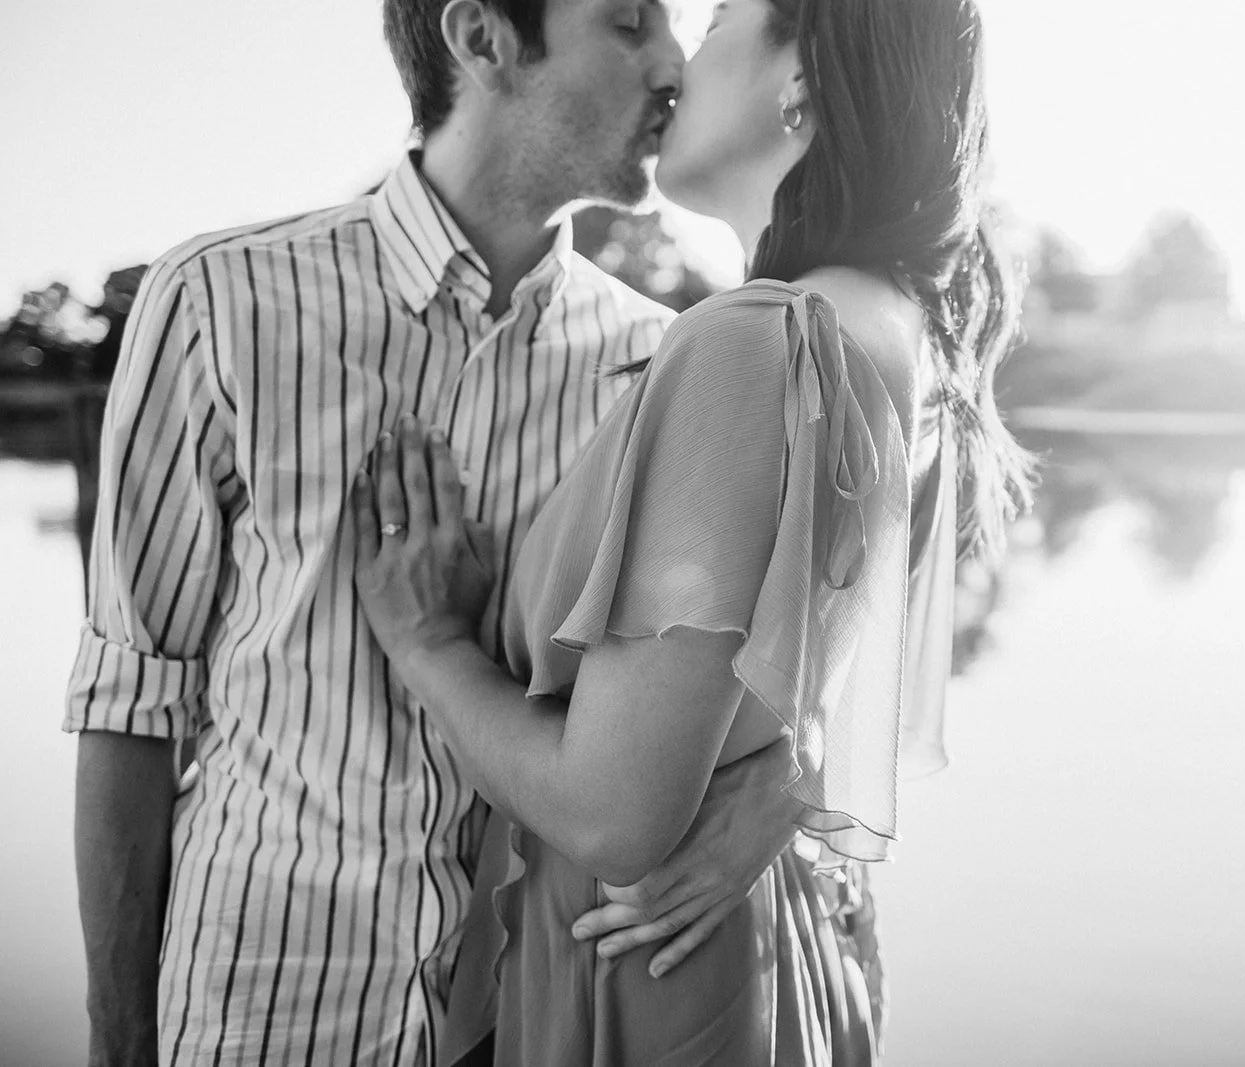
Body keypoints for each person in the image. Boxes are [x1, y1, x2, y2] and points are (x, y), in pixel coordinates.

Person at [65, 1, 809, 1062]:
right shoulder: (220, 303)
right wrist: (118, 1039)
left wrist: (788, 779)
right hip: (254, 1012)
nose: (672, 64)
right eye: (630, 22)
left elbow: (777, 650)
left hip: (518, 1018)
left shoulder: (659, 363)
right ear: (482, 37)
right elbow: (130, 702)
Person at [347, 0, 1033, 1061]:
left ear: (800, 79)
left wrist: (430, 642)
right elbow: (838, 678)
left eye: (716, 21)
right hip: (780, 943)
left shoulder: (755, 339)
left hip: (648, 964)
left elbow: (615, 814)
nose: (674, 63)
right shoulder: (899, 329)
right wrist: (784, 779)